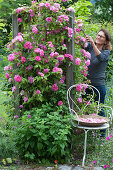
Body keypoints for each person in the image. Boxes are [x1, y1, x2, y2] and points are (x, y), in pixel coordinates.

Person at [85, 28, 112, 137]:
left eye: (101, 36)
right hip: (86, 84)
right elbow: (81, 46)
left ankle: (102, 135)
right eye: (98, 35)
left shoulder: (106, 52)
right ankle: (89, 132)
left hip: (99, 85)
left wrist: (92, 43)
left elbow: (100, 57)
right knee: (86, 108)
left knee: (99, 110)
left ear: (105, 41)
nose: (98, 37)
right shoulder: (90, 47)